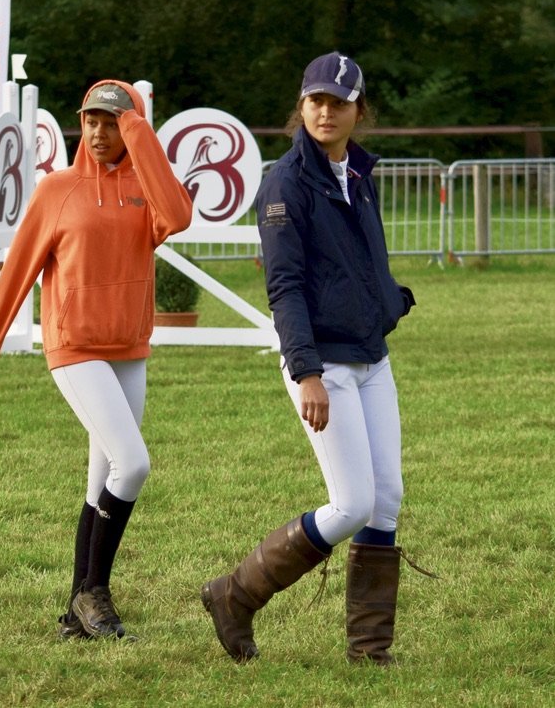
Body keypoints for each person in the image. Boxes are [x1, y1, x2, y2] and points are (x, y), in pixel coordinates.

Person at [201, 52, 434, 665]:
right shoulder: (284, 184)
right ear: (301, 106)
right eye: (316, 101)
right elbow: (285, 286)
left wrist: (389, 302)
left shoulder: (359, 173)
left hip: (372, 357)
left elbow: (364, 260)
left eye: (338, 102)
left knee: (386, 498)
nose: (326, 112)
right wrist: (306, 372)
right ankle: (234, 594)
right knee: (351, 504)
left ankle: (370, 650)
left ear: (359, 110)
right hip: (321, 364)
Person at [0, 80, 192, 639]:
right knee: (132, 465)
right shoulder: (57, 189)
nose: (98, 132)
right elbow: (17, 271)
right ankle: (95, 593)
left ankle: (77, 614)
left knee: (101, 482)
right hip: (74, 347)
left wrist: (137, 129)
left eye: (113, 123)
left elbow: (178, 216)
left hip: (129, 348)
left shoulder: (147, 191)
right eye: (91, 121)